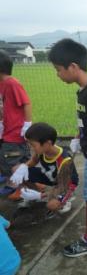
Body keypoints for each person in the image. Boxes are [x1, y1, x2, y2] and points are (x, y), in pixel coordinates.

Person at [48, 38, 87, 257]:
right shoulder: (83, 91)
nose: (57, 74)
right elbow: (86, 121)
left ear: (73, 67)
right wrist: (77, 136)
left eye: (58, 70)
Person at [9, 122, 79, 214]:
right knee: (17, 170)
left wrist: (40, 196)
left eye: (33, 145)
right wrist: (23, 167)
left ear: (47, 143)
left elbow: (62, 186)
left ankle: (65, 200)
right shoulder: (41, 150)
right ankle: (35, 194)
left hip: (66, 184)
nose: (31, 147)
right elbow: (33, 161)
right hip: (49, 176)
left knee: (52, 205)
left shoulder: (64, 160)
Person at [0, 50, 32, 199]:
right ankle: (26, 187)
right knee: (16, 159)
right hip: (7, 131)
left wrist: (27, 124)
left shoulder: (12, 83)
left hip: (15, 132)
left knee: (12, 159)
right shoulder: (2, 84)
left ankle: (17, 188)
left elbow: (26, 103)